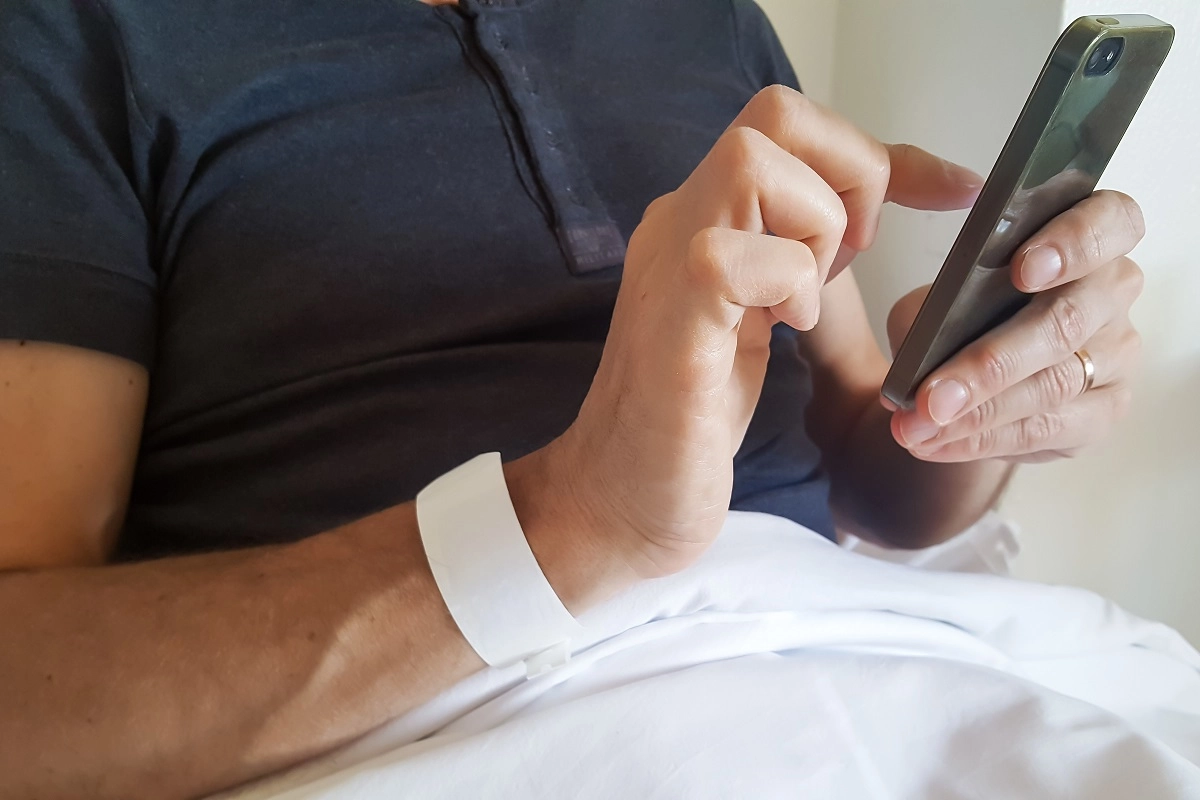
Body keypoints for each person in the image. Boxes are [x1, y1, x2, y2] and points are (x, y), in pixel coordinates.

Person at [0, 0, 1146, 797]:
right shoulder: (79, 40)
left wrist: (983, 394)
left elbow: (871, 472)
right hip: (448, 717)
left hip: (884, 656)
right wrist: (566, 522)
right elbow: (27, 702)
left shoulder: (713, 23)